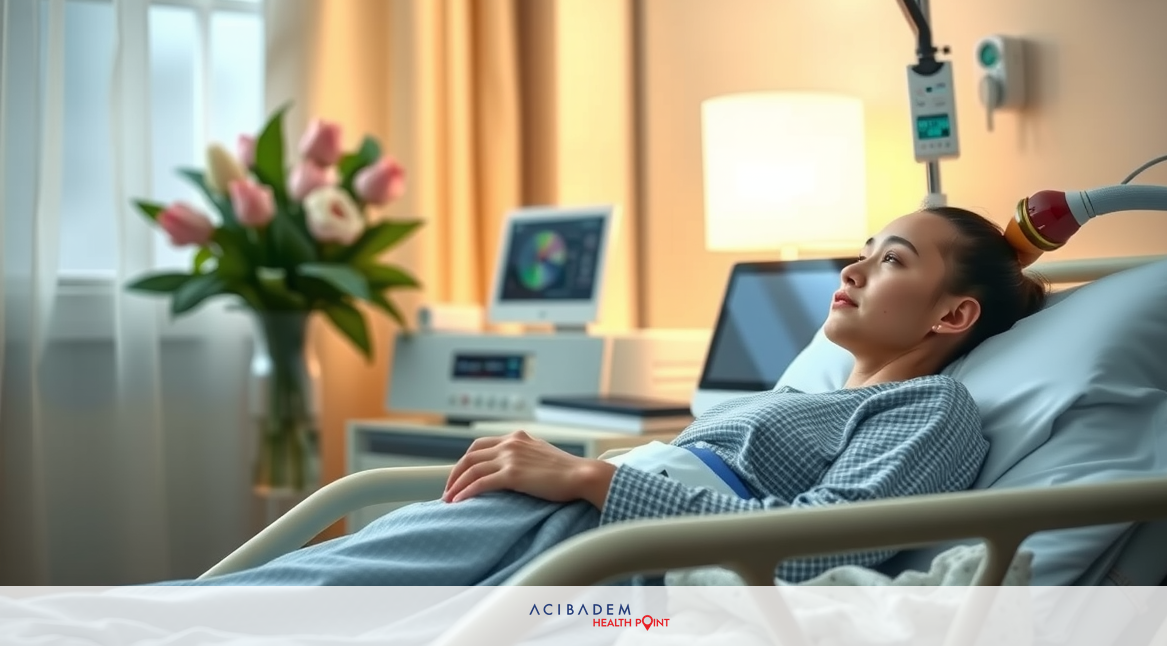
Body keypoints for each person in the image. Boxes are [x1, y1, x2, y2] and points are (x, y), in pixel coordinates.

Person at [167, 206, 1046, 586]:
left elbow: (813, 544)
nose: (853, 267)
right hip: (580, 524)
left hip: (608, 548)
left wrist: (591, 479)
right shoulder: (787, 401)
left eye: (892, 259)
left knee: (301, 600)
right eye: (864, 247)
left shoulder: (931, 411)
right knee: (296, 593)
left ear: (954, 313)